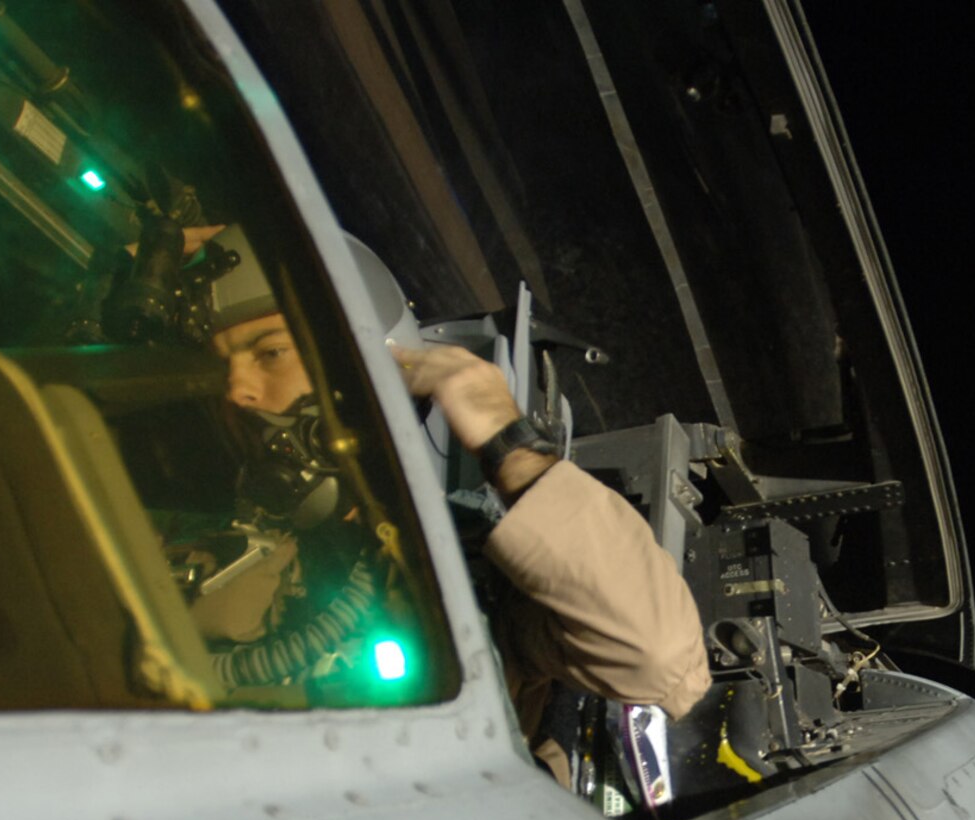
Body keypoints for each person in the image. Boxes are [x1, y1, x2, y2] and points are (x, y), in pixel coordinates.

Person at [200, 236, 710, 786]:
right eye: (221, 364)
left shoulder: (469, 577)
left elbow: (656, 657)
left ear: (370, 370)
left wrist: (509, 447)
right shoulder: (216, 538)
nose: (237, 391)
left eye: (270, 352)